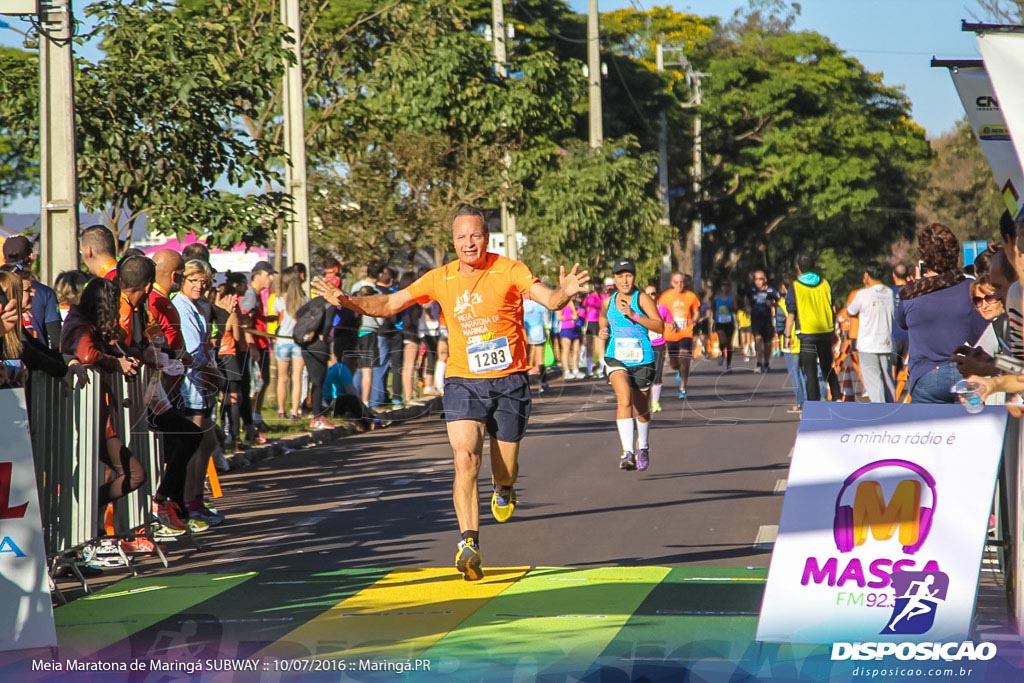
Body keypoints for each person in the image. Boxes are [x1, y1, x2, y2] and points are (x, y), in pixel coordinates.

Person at [311, 205, 589, 582]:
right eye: (461, 237)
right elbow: (391, 304)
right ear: (453, 241)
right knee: (464, 459)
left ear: (486, 237)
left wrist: (564, 293)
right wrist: (347, 301)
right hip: (463, 381)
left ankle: (504, 490)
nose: (469, 243)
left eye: (475, 235)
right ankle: (469, 543)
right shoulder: (439, 278)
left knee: (504, 471)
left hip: (510, 382)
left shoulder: (509, 269)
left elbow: (549, 299)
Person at [60, 278, 147, 534]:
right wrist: (116, 363)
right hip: (85, 415)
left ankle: (90, 521)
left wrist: (124, 355)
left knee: (131, 474)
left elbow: (101, 348)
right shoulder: (80, 324)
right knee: (133, 473)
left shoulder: (86, 324)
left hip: (97, 414)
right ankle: (84, 517)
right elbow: (87, 354)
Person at [895, 224, 988, 403]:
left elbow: (901, 322)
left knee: (928, 430)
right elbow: (982, 330)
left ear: (923, 257)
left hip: (925, 375)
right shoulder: (969, 288)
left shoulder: (911, 294)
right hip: (966, 372)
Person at [599, 260, 663, 472]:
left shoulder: (642, 298)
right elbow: (602, 318)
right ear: (614, 278)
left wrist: (634, 316)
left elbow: (660, 326)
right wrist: (602, 330)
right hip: (616, 357)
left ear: (634, 277)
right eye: (620, 276)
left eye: (628, 276)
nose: (624, 280)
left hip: (642, 359)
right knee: (624, 397)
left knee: (642, 410)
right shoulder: (609, 301)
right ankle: (628, 452)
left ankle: (643, 446)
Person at [784, 254, 841, 402]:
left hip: (807, 335)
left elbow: (791, 313)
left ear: (798, 268)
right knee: (827, 367)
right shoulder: (825, 283)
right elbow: (832, 308)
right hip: (825, 333)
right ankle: (837, 397)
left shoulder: (795, 286)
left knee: (810, 371)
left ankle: (813, 404)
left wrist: (787, 336)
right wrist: (834, 330)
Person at [847, 263, 895, 403]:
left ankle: (880, 411)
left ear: (867, 276)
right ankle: (891, 407)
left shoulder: (862, 294)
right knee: (887, 378)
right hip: (885, 342)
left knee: (874, 380)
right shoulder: (889, 292)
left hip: (867, 344)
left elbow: (851, 311)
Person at [3, 235, 61, 349]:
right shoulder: (46, 293)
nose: (31, 293)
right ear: (30, 258)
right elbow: (56, 339)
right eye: (27, 291)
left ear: (4, 260)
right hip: (41, 362)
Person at [241, 261, 275, 429]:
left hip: (261, 343)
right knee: (256, 383)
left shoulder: (258, 294)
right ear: (258, 275)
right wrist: (252, 346)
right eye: (268, 275)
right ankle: (252, 418)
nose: (271, 278)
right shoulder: (251, 294)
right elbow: (245, 320)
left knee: (263, 381)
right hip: (255, 347)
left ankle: (256, 416)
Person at [657, 273, 701, 398]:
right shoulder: (665, 297)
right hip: (671, 334)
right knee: (674, 363)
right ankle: (679, 371)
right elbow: (660, 314)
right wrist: (666, 323)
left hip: (686, 332)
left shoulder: (691, 296)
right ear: (672, 283)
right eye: (676, 282)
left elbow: (696, 312)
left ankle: (682, 387)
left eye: (681, 282)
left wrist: (694, 320)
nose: (679, 285)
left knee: (684, 356)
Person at [273, 267, 307, 420]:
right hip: (298, 342)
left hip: (282, 341)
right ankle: (295, 410)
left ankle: (281, 410)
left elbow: (278, 320)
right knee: (297, 377)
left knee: (282, 378)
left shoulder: (279, 300)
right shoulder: (304, 301)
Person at [643, 283, 674, 413]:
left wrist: (670, 325)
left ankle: (655, 402)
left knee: (657, 373)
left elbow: (670, 321)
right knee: (645, 374)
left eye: (653, 293)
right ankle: (644, 401)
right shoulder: (640, 309)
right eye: (648, 294)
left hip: (659, 344)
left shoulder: (662, 309)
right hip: (644, 345)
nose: (651, 296)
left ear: (657, 295)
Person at [745, 270, 779, 373]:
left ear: (765, 279)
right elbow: (746, 298)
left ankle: (767, 362)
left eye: (760, 279)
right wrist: (747, 307)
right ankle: (759, 363)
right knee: (758, 339)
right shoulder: (751, 290)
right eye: (756, 279)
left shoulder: (771, 291)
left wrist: (772, 304)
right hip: (756, 318)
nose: (758, 281)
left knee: (767, 343)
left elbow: (779, 302)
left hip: (767, 319)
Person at [711, 281, 737, 372]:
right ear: (721, 287)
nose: (725, 288)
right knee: (723, 342)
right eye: (723, 286)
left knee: (729, 344)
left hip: (729, 322)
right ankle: (722, 354)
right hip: (720, 322)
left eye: (726, 286)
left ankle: (729, 364)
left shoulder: (732, 298)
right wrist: (714, 315)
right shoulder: (716, 298)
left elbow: (735, 308)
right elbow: (713, 308)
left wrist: (732, 308)